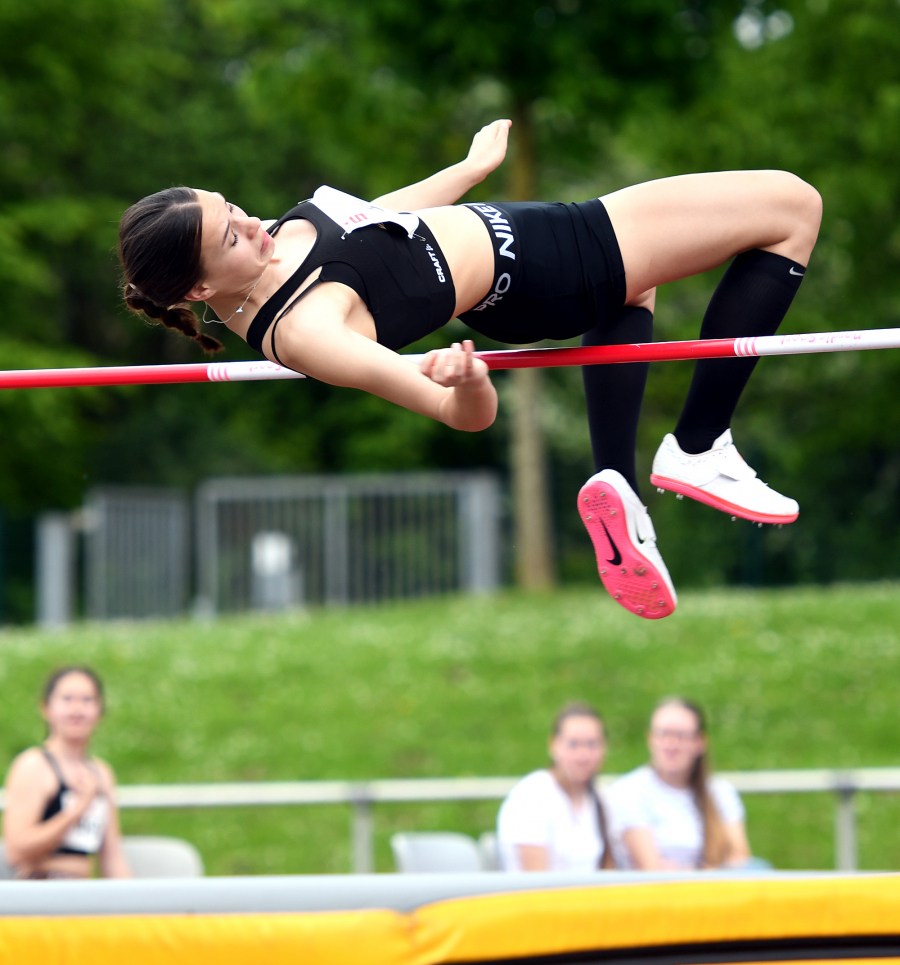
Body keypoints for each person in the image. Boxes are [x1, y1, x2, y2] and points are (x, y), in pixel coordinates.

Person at [117, 118, 822, 620]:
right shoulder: (307, 331)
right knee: (792, 206)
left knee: (637, 285)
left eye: (233, 207)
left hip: (521, 250)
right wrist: (470, 383)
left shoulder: (261, 262)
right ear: (200, 292)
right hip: (547, 264)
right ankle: (699, 445)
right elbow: (459, 415)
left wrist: (468, 171)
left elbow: (372, 226)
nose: (254, 224)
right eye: (231, 235)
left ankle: (619, 484)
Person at [3, 667, 130, 879]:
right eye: (67, 699)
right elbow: (16, 851)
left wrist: (134, 903)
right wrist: (77, 809)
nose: (77, 709)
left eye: (87, 700)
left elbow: (112, 856)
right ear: (46, 708)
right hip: (40, 891)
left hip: (81, 893)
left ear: (100, 711)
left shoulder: (101, 773)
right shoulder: (33, 766)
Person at [606, 697, 751, 870]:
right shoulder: (628, 791)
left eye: (682, 736)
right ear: (650, 739)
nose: (671, 744)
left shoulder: (720, 791)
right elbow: (650, 868)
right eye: (663, 734)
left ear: (700, 742)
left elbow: (740, 858)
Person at [496, 702, 614, 872]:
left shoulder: (601, 797)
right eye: (573, 744)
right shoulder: (531, 796)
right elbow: (536, 882)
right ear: (553, 745)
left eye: (592, 744)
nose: (583, 755)